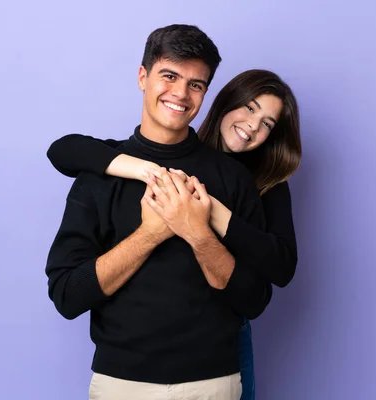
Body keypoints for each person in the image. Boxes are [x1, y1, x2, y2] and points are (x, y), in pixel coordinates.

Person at [45, 24, 274, 400]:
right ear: (142, 77)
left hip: (213, 383)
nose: (181, 94)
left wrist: (197, 233)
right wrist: (152, 232)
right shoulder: (101, 175)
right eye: (169, 76)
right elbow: (68, 296)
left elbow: (254, 301)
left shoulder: (231, 178)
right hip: (121, 384)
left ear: (205, 93)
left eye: (196, 84)